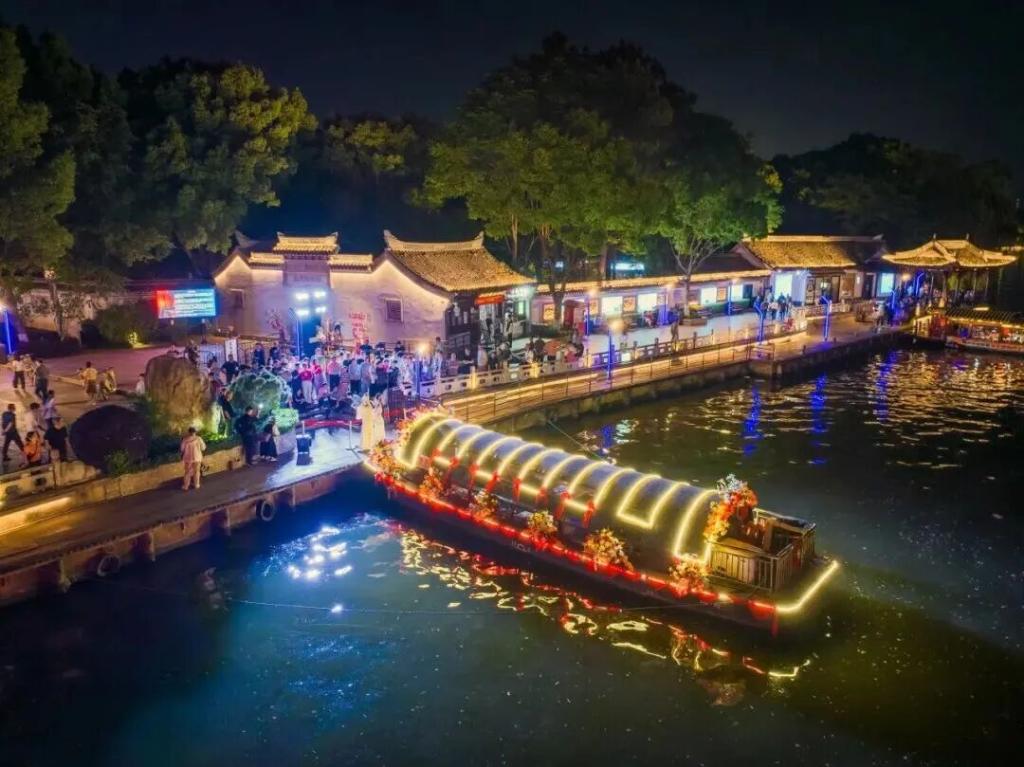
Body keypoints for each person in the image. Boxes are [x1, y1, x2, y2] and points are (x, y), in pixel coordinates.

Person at [179, 426, 207, 490]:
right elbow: (203, 448)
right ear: (195, 432)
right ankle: (196, 484)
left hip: (188, 458)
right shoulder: (199, 439)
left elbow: (182, 449)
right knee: (197, 471)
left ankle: (186, 486)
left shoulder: (185, 439)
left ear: (189, 432)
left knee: (187, 472)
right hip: (197, 457)